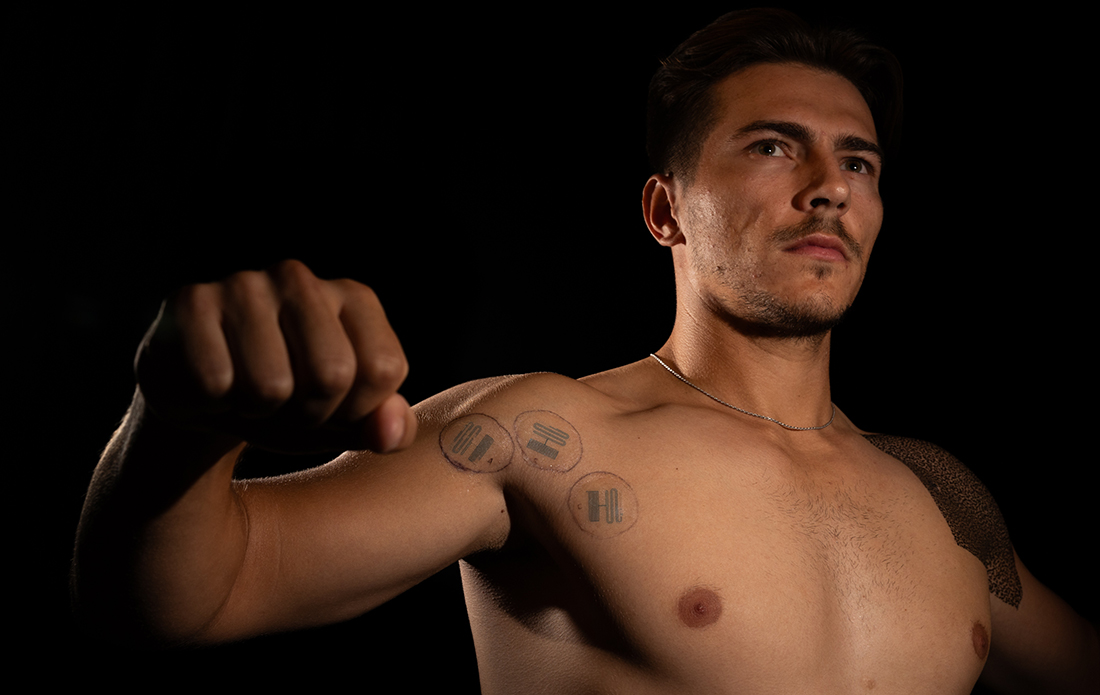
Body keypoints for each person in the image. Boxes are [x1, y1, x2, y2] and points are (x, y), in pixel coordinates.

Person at [72, 9, 1098, 693]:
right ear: (664, 211)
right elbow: (194, 590)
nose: (827, 183)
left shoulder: (939, 498)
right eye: (772, 145)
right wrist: (178, 427)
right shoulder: (543, 435)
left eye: (857, 159)